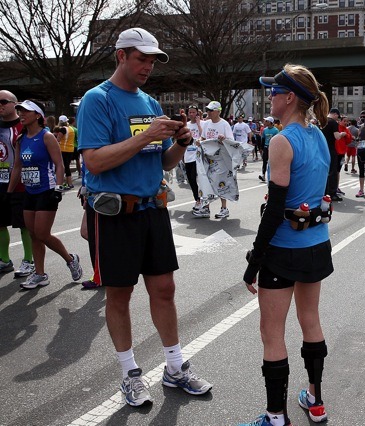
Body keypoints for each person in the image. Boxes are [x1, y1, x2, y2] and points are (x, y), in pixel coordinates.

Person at [77, 27, 211, 407]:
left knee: (165, 290)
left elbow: (162, 161)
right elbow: (94, 160)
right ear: (121, 56)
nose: (148, 66)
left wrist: (180, 143)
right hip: (115, 213)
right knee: (119, 294)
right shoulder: (96, 100)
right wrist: (145, 135)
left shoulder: (150, 103)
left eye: (153, 60)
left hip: (153, 209)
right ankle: (130, 373)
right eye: (142, 58)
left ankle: (174, 367)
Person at [240, 63, 334, 426]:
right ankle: (315, 400)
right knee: (310, 319)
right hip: (317, 244)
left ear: (290, 97)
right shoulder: (319, 137)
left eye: (274, 92)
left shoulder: (282, 140)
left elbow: (275, 209)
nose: (270, 97)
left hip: (284, 250)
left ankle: (275, 416)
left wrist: (253, 262)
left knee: (271, 331)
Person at [6, 100, 83, 289]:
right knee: (33, 234)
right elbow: (17, 166)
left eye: (26, 112)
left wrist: (58, 188)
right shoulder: (20, 139)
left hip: (46, 190)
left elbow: (59, 164)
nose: (22, 115)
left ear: (38, 115)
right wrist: (9, 192)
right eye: (20, 111)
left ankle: (70, 259)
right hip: (29, 192)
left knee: (42, 233)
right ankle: (40, 274)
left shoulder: (46, 136)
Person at [0, 90, 34, 278]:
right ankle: (4, 260)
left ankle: (28, 260)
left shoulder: (24, 128)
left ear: (15, 104)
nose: (0, 106)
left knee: (23, 224)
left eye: (3, 102)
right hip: (0, 183)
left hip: (21, 184)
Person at [197, 100, 236, 219]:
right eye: (207, 110)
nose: (208, 112)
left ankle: (224, 208)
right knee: (205, 181)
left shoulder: (224, 124)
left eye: (210, 110)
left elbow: (231, 141)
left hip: (220, 160)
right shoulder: (207, 124)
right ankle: (206, 208)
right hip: (208, 158)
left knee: (221, 183)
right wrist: (199, 141)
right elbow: (203, 137)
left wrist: (223, 139)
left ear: (218, 112)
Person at [322, 107, 346, 202]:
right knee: (332, 172)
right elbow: (337, 137)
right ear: (335, 114)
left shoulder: (322, 121)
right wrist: (342, 134)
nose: (338, 119)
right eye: (338, 117)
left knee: (324, 172)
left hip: (322, 149)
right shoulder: (333, 123)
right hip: (330, 149)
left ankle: (324, 192)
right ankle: (332, 193)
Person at [184, 105, 202, 212]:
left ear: (197, 113)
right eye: (190, 112)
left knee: (195, 177)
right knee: (190, 180)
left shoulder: (202, 124)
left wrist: (199, 124)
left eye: (193, 112)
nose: (191, 114)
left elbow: (203, 134)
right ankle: (197, 199)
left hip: (197, 156)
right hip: (187, 156)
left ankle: (200, 200)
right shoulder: (186, 125)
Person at [260, 116, 279, 182]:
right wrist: (261, 148)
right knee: (264, 161)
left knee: (272, 162)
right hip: (266, 147)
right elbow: (263, 139)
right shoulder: (265, 130)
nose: (265, 122)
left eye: (267, 121)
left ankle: (273, 176)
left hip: (272, 148)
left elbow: (277, 140)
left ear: (270, 122)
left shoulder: (276, 130)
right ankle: (263, 175)